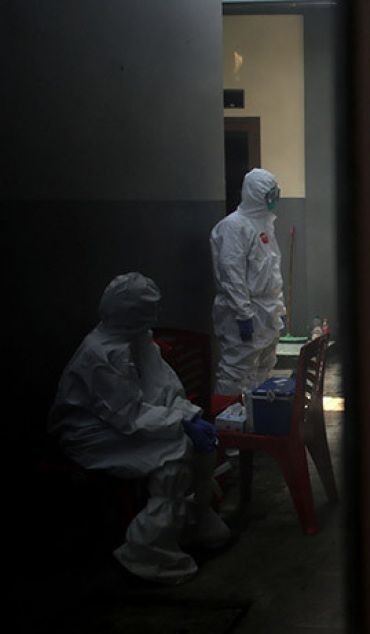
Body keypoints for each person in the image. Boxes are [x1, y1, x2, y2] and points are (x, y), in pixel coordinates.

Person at [49, 273, 230, 584]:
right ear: (129, 312)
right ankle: (147, 548)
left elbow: (162, 387)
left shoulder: (138, 340)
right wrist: (182, 421)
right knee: (175, 452)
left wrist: (187, 414)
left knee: (196, 446)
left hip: (125, 422)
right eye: (148, 310)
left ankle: (196, 519)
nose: (154, 317)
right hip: (89, 434)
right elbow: (128, 415)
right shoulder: (101, 354)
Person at [211, 168, 286, 400]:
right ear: (255, 194)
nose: (274, 200)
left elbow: (272, 271)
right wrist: (243, 314)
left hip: (266, 312)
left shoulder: (264, 224)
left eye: (275, 194)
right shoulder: (233, 227)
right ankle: (227, 423)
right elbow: (231, 276)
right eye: (270, 195)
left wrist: (279, 308)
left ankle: (254, 422)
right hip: (243, 314)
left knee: (263, 369)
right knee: (236, 373)